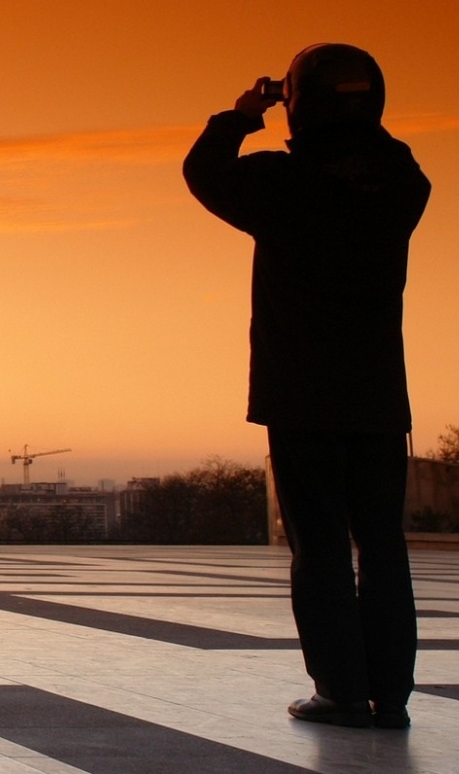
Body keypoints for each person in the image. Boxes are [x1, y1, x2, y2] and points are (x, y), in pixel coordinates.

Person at [183, 43, 429, 730]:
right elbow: (386, 156)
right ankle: (391, 693)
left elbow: (204, 174)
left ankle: (341, 690)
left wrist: (241, 116)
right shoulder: (398, 182)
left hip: (301, 393)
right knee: (382, 543)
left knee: (319, 546)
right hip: (378, 396)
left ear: (300, 102)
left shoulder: (284, 185)